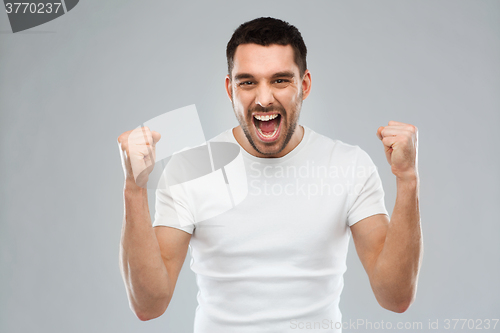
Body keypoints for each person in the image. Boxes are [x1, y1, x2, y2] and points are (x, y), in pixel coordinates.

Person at [117, 17, 422, 332]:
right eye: (248, 82)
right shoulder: (191, 168)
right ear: (230, 88)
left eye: (280, 80)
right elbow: (149, 305)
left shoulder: (348, 165)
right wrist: (134, 188)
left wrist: (407, 179)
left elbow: (395, 297)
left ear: (303, 85)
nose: (263, 99)